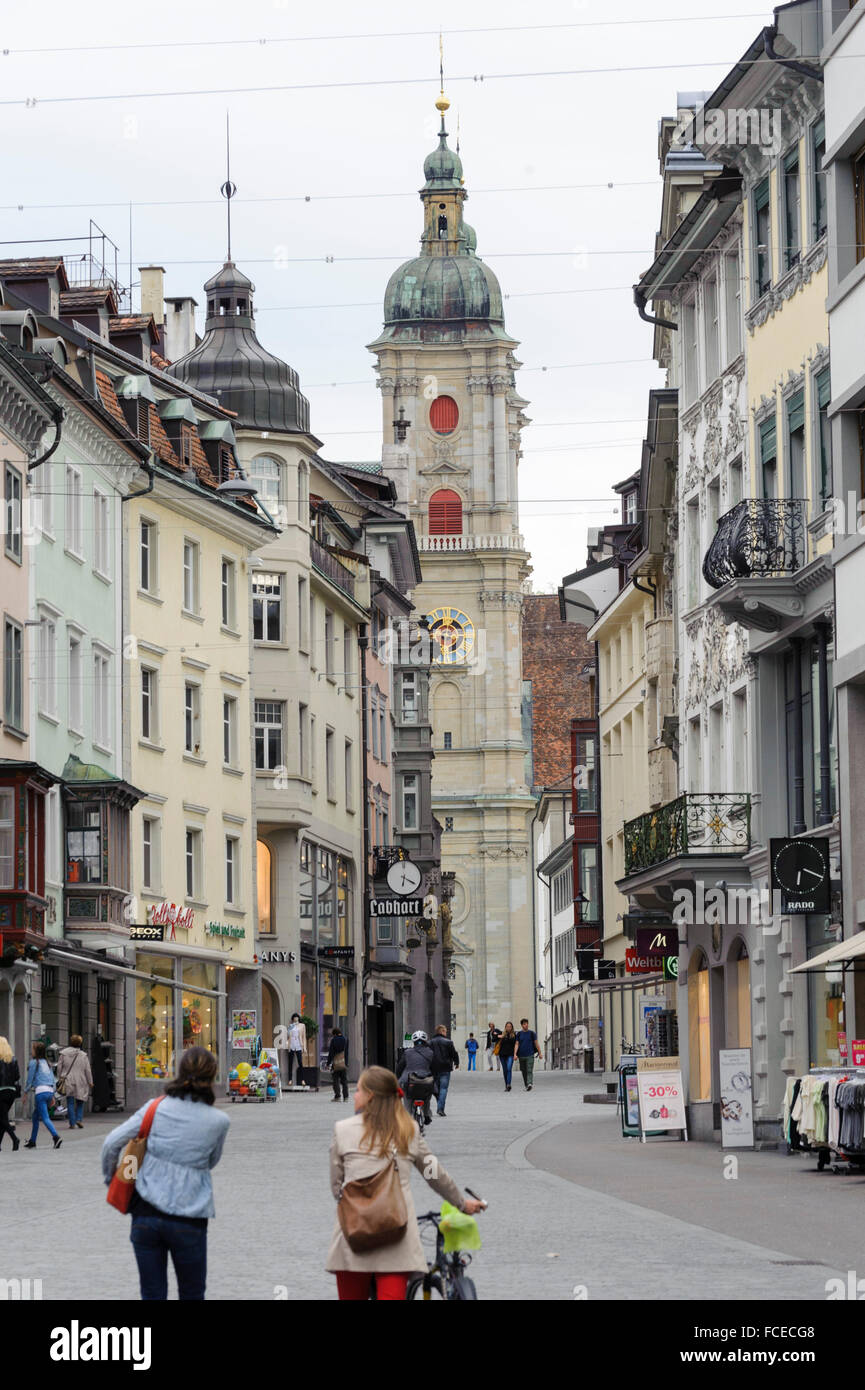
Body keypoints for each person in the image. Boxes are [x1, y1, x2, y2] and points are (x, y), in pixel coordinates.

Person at [326, 1065, 484, 1300]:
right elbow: (433, 1174)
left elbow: (336, 1186)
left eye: (358, 1090)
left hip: (354, 1236)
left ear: (370, 1096)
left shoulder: (343, 1130)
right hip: (396, 1237)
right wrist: (461, 1204)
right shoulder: (408, 1129)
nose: (355, 1095)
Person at [101, 1048, 229, 1301]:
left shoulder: (155, 1108)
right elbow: (211, 1161)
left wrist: (110, 1179)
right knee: (192, 1294)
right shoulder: (219, 1121)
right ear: (212, 1076)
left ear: (179, 1072)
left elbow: (111, 1143)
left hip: (146, 1214)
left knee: (151, 1294)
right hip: (190, 1217)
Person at [23, 1041, 61, 1150]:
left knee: (45, 1117)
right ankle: (32, 1141)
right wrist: (53, 1095)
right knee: (35, 1116)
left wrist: (25, 1092)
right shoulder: (47, 1063)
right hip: (49, 1091)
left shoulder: (34, 1062)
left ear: (36, 1051)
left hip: (40, 1092)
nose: (31, 1051)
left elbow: (30, 1079)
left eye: (32, 1049)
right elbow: (52, 1079)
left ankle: (56, 1137)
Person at [397, 1030, 435, 1126]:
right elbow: (434, 1067)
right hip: (425, 1080)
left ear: (413, 1042)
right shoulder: (430, 1053)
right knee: (427, 1097)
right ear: (425, 1041)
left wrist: (398, 1077)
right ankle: (426, 1115)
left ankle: (408, 1118)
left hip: (409, 1080)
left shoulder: (407, 1052)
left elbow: (400, 1067)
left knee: (407, 1100)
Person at [57, 1033, 93, 1130]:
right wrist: (90, 1081)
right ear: (80, 1043)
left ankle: (72, 1123)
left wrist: (59, 1077)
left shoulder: (63, 1053)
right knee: (80, 1101)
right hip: (81, 1080)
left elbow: (59, 1067)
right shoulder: (83, 1055)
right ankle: (79, 1119)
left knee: (70, 1101)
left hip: (68, 1079)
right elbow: (87, 1070)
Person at [429, 1024, 459, 1117]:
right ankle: (440, 1108)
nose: (446, 1033)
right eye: (445, 1031)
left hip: (433, 1068)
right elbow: (454, 1053)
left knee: (436, 1088)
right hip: (445, 1068)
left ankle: (440, 1105)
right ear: (442, 1031)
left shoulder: (430, 1042)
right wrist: (456, 1062)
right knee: (443, 1088)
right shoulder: (448, 1042)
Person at [0, 1036, 21, 1152]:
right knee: (2, 1119)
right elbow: (17, 1076)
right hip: (11, 1092)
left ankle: (15, 1139)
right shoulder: (13, 1059)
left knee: (3, 1120)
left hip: (1, 1092)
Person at [516, 1018, 543, 1090]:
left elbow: (536, 1043)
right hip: (521, 1055)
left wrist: (540, 1053)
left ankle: (530, 1083)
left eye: (527, 1023)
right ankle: (526, 1085)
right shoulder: (519, 1034)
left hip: (530, 1055)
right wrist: (515, 1054)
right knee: (523, 1071)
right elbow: (517, 1044)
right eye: (524, 1024)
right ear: (522, 1025)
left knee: (529, 1070)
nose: (526, 1025)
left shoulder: (532, 1033)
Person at [327, 1026, 349, 1103]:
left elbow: (331, 1053)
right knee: (344, 1081)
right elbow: (346, 1053)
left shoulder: (334, 1040)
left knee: (335, 1080)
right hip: (343, 1063)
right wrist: (346, 1063)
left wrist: (328, 1063)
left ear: (335, 1034)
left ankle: (338, 1096)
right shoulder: (345, 1039)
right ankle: (346, 1097)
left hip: (336, 1064)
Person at [287, 1013, 307, 1088]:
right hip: (291, 1045)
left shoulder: (302, 1025)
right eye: (294, 1018)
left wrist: (304, 1047)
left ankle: (302, 1079)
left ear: (298, 1018)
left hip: (298, 1045)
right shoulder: (290, 1026)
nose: (296, 1019)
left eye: (297, 1017)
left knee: (300, 1063)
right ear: (292, 1019)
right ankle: (290, 1079)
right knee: (290, 1063)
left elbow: (304, 1037)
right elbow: (288, 1036)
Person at [497, 1022, 518, 1092]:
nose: (508, 1028)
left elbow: (516, 1044)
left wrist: (515, 1054)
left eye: (510, 1026)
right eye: (507, 1026)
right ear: (505, 1027)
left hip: (510, 1054)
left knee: (509, 1069)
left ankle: (508, 1084)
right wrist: (498, 1036)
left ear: (512, 1027)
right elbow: (493, 1039)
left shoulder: (514, 1035)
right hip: (502, 1055)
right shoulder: (502, 1034)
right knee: (505, 1070)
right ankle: (507, 1085)